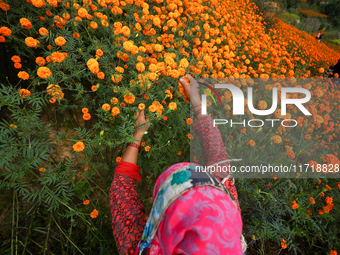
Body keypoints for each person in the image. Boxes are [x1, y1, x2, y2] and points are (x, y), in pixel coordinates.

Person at [109, 75, 245, 255]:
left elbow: (121, 188)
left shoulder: (138, 248)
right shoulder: (224, 218)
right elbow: (218, 156)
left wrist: (137, 135)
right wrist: (196, 102)